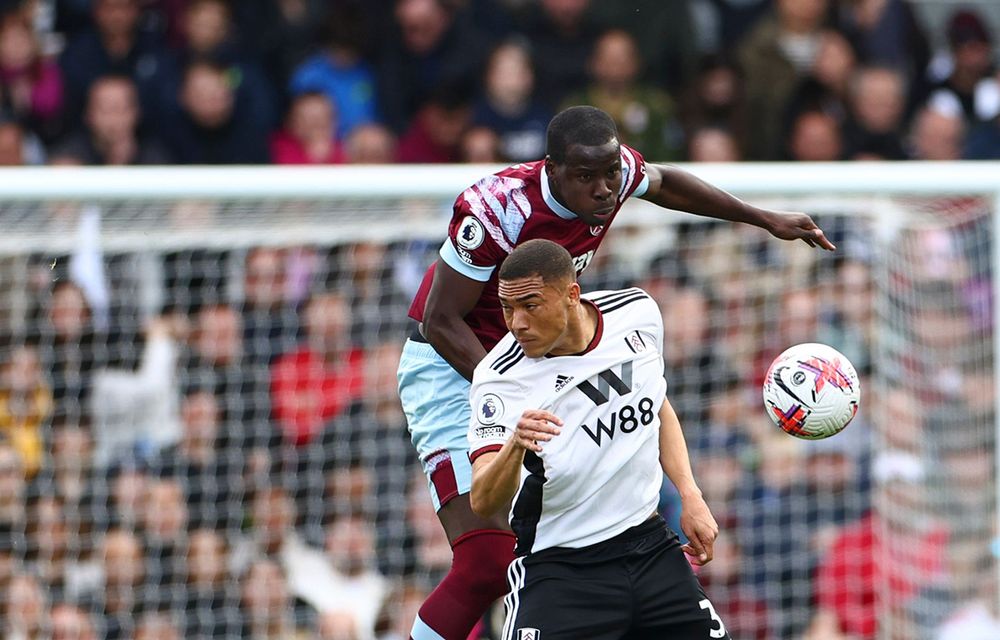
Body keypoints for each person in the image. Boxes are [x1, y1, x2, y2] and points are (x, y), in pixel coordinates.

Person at [397, 105, 833, 640]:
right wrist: (512, 389)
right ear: (551, 169)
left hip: (544, 355)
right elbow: (439, 320)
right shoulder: (497, 210)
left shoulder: (612, 174)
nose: (606, 190)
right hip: (451, 364)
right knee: (487, 563)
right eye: (587, 177)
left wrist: (762, 218)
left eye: (611, 174)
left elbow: (668, 183)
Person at [467, 239, 727, 638]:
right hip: (561, 570)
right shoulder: (500, 378)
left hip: (650, 547)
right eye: (507, 308)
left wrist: (690, 494)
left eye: (530, 305)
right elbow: (483, 500)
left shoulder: (637, 313)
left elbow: (657, 402)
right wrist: (515, 446)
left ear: (572, 295)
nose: (517, 322)